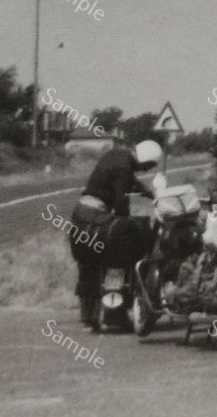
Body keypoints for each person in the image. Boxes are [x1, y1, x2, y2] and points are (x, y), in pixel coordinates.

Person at [68, 138, 163, 331]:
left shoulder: (116, 155)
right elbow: (121, 204)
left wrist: (149, 194)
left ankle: (89, 317)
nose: (145, 170)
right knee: (119, 255)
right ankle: (115, 314)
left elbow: (132, 183)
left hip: (79, 216)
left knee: (89, 263)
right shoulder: (125, 168)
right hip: (94, 216)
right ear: (144, 159)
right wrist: (134, 222)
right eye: (148, 165)